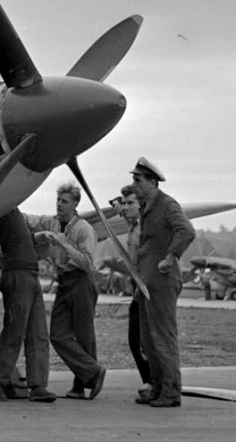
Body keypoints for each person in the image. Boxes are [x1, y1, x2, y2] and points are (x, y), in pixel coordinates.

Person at [27, 181, 106, 399]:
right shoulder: (51, 223)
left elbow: (88, 263)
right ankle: (93, 372)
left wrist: (64, 245)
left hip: (82, 282)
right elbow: (31, 220)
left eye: (65, 202)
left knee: (84, 335)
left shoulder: (84, 230)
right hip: (64, 282)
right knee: (58, 335)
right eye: (58, 201)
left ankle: (82, 386)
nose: (59, 205)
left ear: (75, 205)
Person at [129, 157, 196, 408]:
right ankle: (157, 386)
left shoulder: (167, 205)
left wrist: (172, 256)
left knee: (162, 337)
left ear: (152, 182)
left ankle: (170, 391)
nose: (134, 185)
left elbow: (187, 231)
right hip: (147, 284)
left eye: (137, 180)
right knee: (148, 339)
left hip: (162, 282)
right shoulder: (147, 206)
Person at [0, 209, 56, 402]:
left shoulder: (12, 209)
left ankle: (38, 386)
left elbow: (19, 237)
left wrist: (36, 237)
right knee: (15, 331)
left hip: (30, 274)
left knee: (38, 333)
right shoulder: (3, 204)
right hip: (17, 275)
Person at [113, 185, 154, 398]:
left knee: (141, 339)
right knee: (135, 338)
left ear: (141, 205)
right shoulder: (133, 223)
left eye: (131, 203)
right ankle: (150, 381)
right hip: (137, 285)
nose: (126, 207)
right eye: (125, 203)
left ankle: (153, 383)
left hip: (146, 286)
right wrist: (119, 205)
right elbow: (120, 209)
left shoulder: (145, 226)